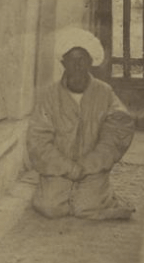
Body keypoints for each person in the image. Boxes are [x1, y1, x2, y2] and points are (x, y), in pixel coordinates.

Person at [27, 25, 135, 220]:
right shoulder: (49, 96)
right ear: (63, 63)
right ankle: (65, 192)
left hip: (92, 169)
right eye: (72, 60)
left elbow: (118, 131)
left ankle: (106, 196)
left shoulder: (104, 92)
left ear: (90, 62)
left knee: (86, 208)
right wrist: (67, 167)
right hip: (58, 169)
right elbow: (38, 141)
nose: (77, 66)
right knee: (51, 208)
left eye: (82, 60)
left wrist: (89, 164)